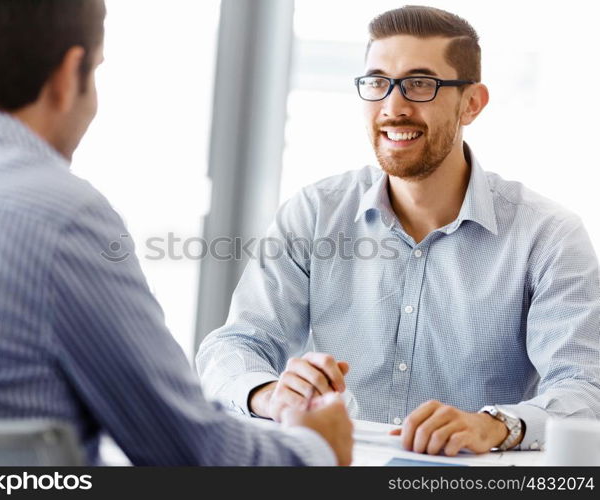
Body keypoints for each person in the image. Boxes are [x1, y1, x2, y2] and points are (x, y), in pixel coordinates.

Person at [0, 0, 353, 466]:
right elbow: (186, 451)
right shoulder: (60, 215)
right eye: (95, 72)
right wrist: (314, 446)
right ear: (68, 74)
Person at [196, 5, 600, 457]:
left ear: (472, 103)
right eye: (377, 83)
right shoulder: (314, 212)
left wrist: (495, 425)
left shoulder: (548, 236)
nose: (393, 107)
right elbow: (234, 346)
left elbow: (586, 390)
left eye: (420, 84)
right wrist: (271, 394)